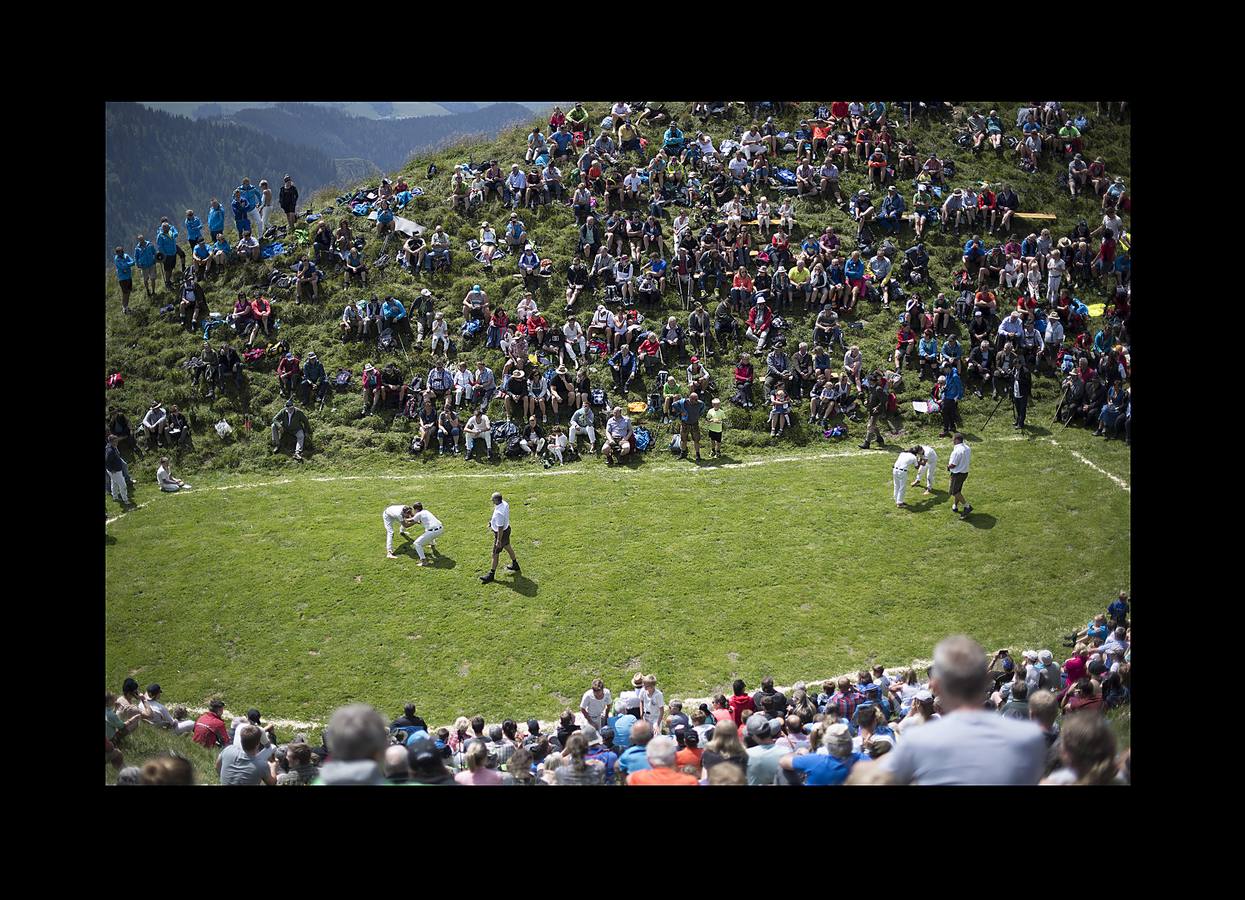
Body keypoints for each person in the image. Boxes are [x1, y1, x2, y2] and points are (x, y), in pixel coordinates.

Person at [880, 636, 1046, 785]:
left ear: (935, 686)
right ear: (984, 682)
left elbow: (881, 778)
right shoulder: (1029, 738)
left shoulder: (916, 740)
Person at [481, 492, 520, 583]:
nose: (491, 500)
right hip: (507, 530)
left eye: (492, 499)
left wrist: (498, 540)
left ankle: (491, 575)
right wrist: (492, 522)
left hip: (501, 534)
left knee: (495, 554)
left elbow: (500, 528)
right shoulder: (504, 504)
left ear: (496, 500)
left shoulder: (499, 513)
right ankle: (515, 564)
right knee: (507, 546)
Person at [406, 502, 444, 567]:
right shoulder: (426, 511)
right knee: (427, 530)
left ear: (416, 509)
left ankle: (424, 561)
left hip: (434, 532)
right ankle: (432, 544)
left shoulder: (419, 514)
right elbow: (420, 521)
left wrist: (403, 519)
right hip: (441, 529)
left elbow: (411, 520)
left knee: (417, 544)